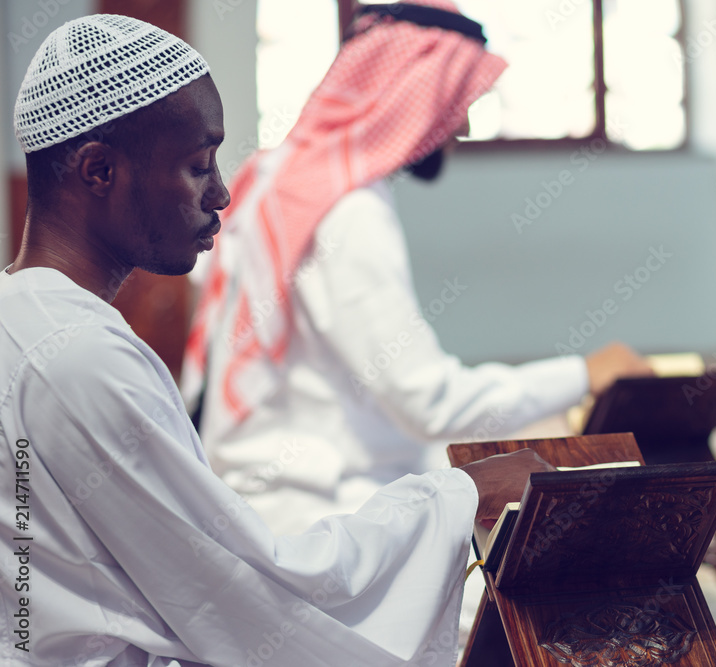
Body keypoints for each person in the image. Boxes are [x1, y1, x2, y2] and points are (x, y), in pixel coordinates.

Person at [0, 14, 552, 666]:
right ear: (99, 171)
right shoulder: (80, 357)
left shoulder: (26, 317)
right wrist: (465, 493)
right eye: (197, 165)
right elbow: (250, 587)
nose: (224, 192)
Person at [182, 0, 652, 535]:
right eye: (459, 99)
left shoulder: (268, 174)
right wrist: (583, 373)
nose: (466, 123)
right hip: (323, 515)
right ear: (417, 92)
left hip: (252, 485)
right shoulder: (346, 208)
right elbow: (427, 403)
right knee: (552, 563)